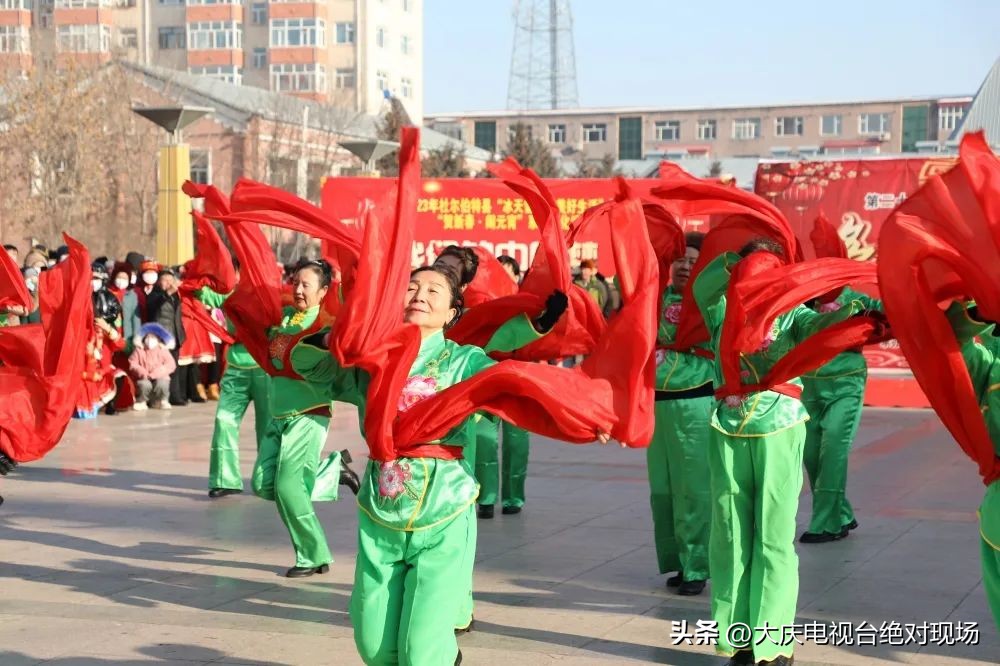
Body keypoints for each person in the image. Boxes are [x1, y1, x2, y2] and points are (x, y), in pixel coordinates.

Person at [308, 265, 599, 666]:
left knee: (422, 652)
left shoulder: (463, 360)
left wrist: (584, 415)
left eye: (433, 290)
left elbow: (516, 385)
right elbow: (310, 368)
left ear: (451, 313)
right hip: (381, 509)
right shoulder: (372, 360)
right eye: (411, 287)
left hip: (444, 508)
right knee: (374, 646)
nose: (419, 295)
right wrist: (329, 338)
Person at [693, 238, 864, 666]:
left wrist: (843, 310)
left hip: (779, 424)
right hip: (726, 425)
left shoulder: (791, 315)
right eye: (754, 266)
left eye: (769, 267)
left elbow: (821, 329)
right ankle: (738, 638)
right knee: (730, 536)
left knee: (772, 537)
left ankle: (772, 644)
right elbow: (703, 288)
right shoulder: (722, 312)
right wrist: (734, 258)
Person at [251, 258, 359, 577]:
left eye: (306, 284)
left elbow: (334, 343)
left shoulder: (321, 325)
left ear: (324, 291)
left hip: (308, 415)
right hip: (278, 414)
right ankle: (332, 471)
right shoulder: (286, 319)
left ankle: (312, 555)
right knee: (262, 484)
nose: (298, 289)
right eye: (295, 282)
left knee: (288, 488)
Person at [647, 231, 714, 596]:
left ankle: (697, 566)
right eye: (681, 260)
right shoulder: (654, 300)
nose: (686, 267)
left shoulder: (710, 303)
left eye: (693, 261)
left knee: (693, 489)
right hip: (656, 402)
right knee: (663, 489)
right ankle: (677, 560)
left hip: (695, 402)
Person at [799, 287, 884, 543]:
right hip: (808, 383)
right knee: (812, 455)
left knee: (833, 449)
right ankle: (843, 512)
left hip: (846, 381)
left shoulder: (856, 297)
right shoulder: (800, 295)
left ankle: (827, 523)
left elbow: (890, 311)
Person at [197, 274, 273, 499]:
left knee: (268, 426)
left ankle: (268, 478)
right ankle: (225, 478)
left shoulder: (271, 297)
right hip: (236, 369)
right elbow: (199, 293)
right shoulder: (230, 295)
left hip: (264, 369)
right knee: (224, 420)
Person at [146, 268, 187, 406]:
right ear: (159, 281)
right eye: (165, 280)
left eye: (171, 280)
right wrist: (167, 293)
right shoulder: (155, 294)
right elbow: (152, 307)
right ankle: (158, 397)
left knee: (173, 366)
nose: (169, 283)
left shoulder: (176, 296)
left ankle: (175, 395)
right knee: (160, 368)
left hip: (174, 335)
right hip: (161, 337)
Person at [129, 323, 177, 410]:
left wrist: (157, 373)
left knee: (162, 383)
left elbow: (171, 364)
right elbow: (132, 363)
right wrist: (142, 372)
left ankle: (162, 401)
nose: (150, 340)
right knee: (144, 384)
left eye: (153, 337)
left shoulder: (162, 350)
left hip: (159, 377)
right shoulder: (139, 350)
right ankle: (142, 401)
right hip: (144, 377)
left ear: (158, 339)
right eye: (148, 337)